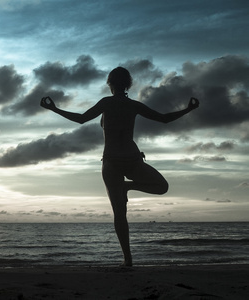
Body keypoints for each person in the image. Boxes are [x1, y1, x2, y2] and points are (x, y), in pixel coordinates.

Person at [40, 66, 199, 266]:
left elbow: (81, 119)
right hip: (131, 158)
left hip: (113, 161)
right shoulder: (134, 105)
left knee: (120, 212)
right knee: (161, 187)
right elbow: (164, 119)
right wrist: (189, 109)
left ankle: (128, 259)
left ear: (110, 83)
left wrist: (54, 109)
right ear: (128, 84)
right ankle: (128, 193)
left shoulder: (107, 103)